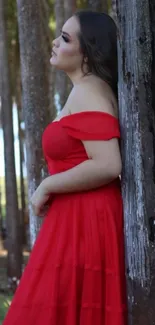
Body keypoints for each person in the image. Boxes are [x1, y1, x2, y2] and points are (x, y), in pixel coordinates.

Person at [3, 10, 128, 325]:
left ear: (87, 53)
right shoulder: (85, 90)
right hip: (77, 220)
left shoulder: (90, 90)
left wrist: (46, 186)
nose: (56, 43)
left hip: (85, 222)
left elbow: (109, 163)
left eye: (66, 38)